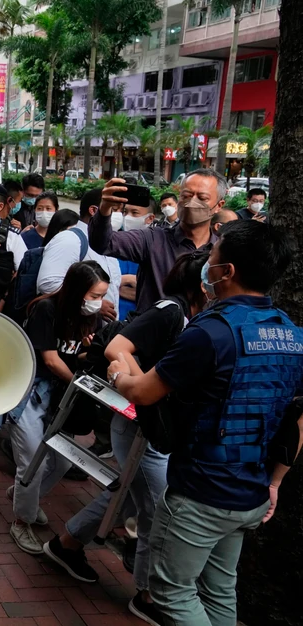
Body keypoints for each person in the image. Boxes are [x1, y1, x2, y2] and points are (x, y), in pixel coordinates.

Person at [107, 220, 303, 626]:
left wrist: (118, 376)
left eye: (213, 255)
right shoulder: (292, 333)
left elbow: (144, 392)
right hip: (251, 493)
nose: (206, 261)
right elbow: (296, 419)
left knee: (172, 592)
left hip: (202, 492)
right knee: (218, 589)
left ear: (226, 272)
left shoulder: (212, 332)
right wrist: (275, 483)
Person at [43, 251, 210, 626]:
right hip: (140, 426)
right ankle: (148, 594)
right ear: (202, 280)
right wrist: (148, 393)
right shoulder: (170, 310)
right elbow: (116, 348)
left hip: (148, 425)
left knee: (128, 494)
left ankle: (66, 544)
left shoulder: (196, 315)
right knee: (156, 510)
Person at [8, 261, 111, 554]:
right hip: (30, 393)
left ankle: (23, 495)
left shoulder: (90, 319)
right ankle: (21, 520)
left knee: (63, 460)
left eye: (101, 296)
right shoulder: (46, 309)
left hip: (60, 399)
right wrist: (78, 384)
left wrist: (88, 354)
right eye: (94, 296)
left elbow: (74, 358)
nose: (97, 303)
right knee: (31, 461)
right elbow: (51, 360)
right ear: (77, 290)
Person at [89, 170, 223, 314]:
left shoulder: (222, 252)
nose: (192, 202)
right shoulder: (152, 239)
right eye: (186, 196)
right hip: (150, 334)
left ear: (219, 205)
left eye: (202, 198)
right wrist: (104, 208)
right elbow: (103, 243)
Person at [37, 189, 121, 321]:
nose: (120, 216)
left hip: (100, 334)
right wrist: (94, 304)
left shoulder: (110, 243)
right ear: (94, 211)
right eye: (114, 210)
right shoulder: (70, 239)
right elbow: (48, 283)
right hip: (73, 332)